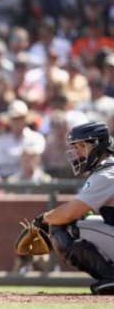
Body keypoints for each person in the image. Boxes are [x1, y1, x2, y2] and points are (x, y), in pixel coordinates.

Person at [32, 122, 114, 295]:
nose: (77, 152)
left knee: (66, 227)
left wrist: (42, 219)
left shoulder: (107, 172)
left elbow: (69, 213)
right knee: (81, 220)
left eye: (82, 146)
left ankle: (112, 278)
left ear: (98, 144)